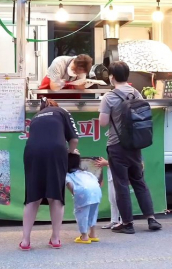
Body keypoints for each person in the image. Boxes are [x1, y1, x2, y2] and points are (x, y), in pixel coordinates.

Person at [99, 61, 162, 234]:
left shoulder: (109, 97)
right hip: (135, 145)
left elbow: (103, 122)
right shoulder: (136, 93)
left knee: (121, 185)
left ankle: (127, 223)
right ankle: (151, 218)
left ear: (111, 77)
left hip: (117, 146)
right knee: (139, 182)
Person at [20, 98, 79, 250]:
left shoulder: (35, 118)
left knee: (33, 196)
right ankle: (55, 238)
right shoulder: (62, 111)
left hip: (32, 152)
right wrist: (71, 152)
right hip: (55, 151)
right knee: (56, 195)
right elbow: (74, 140)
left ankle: (25, 241)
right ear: (55, 105)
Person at [66, 151, 103, 244]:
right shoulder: (85, 173)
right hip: (96, 191)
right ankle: (93, 234)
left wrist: (76, 196)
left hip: (83, 193)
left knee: (82, 215)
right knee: (93, 213)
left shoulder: (67, 175)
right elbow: (95, 181)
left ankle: (84, 236)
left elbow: (70, 185)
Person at [93, 157, 120, 229]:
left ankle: (124, 222)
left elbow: (122, 161)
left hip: (120, 176)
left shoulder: (122, 147)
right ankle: (114, 221)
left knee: (120, 200)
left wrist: (107, 163)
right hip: (111, 175)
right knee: (112, 199)